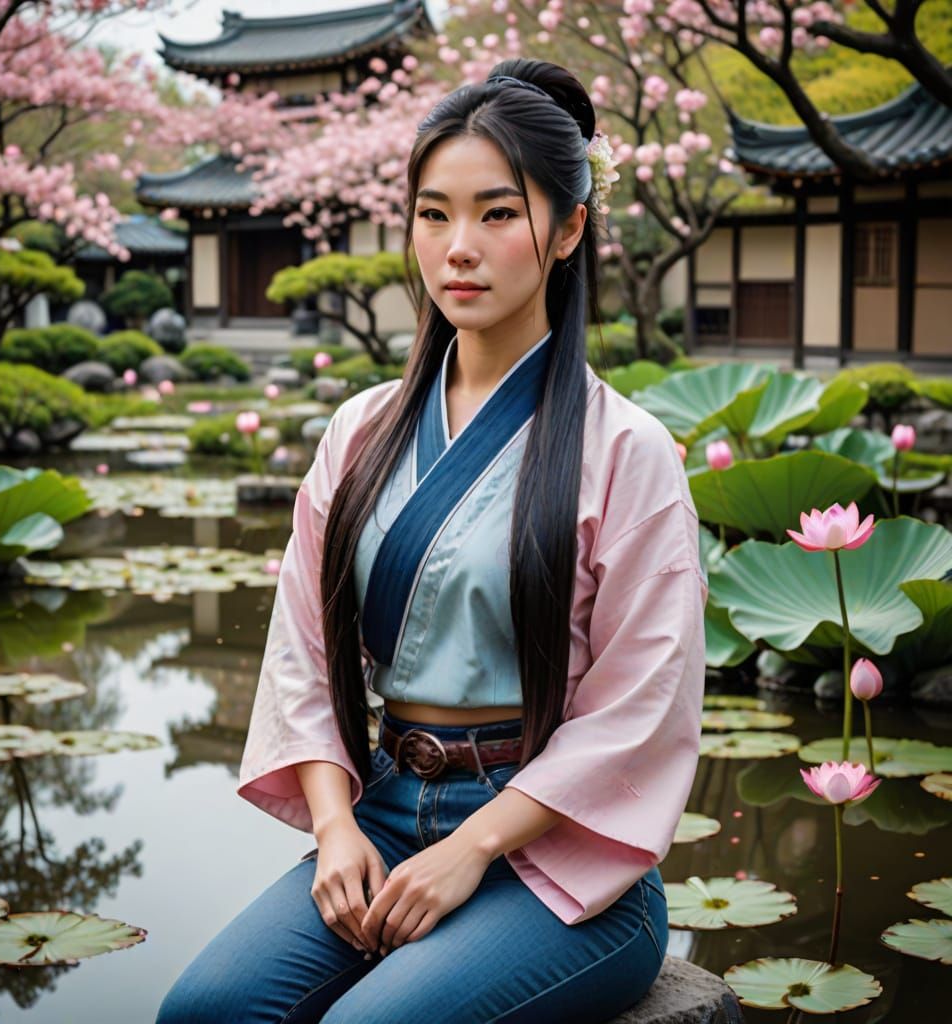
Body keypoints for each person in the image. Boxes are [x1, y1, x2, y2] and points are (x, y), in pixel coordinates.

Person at [156, 57, 707, 1024]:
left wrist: (474, 846)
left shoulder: (629, 450)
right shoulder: (360, 431)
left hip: (562, 853)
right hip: (383, 811)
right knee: (202, 1013)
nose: (459, 248)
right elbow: (301, 654)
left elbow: (641, 706)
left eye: (498, 214)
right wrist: (335, 828)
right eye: (432, 214)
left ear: (569, 228)